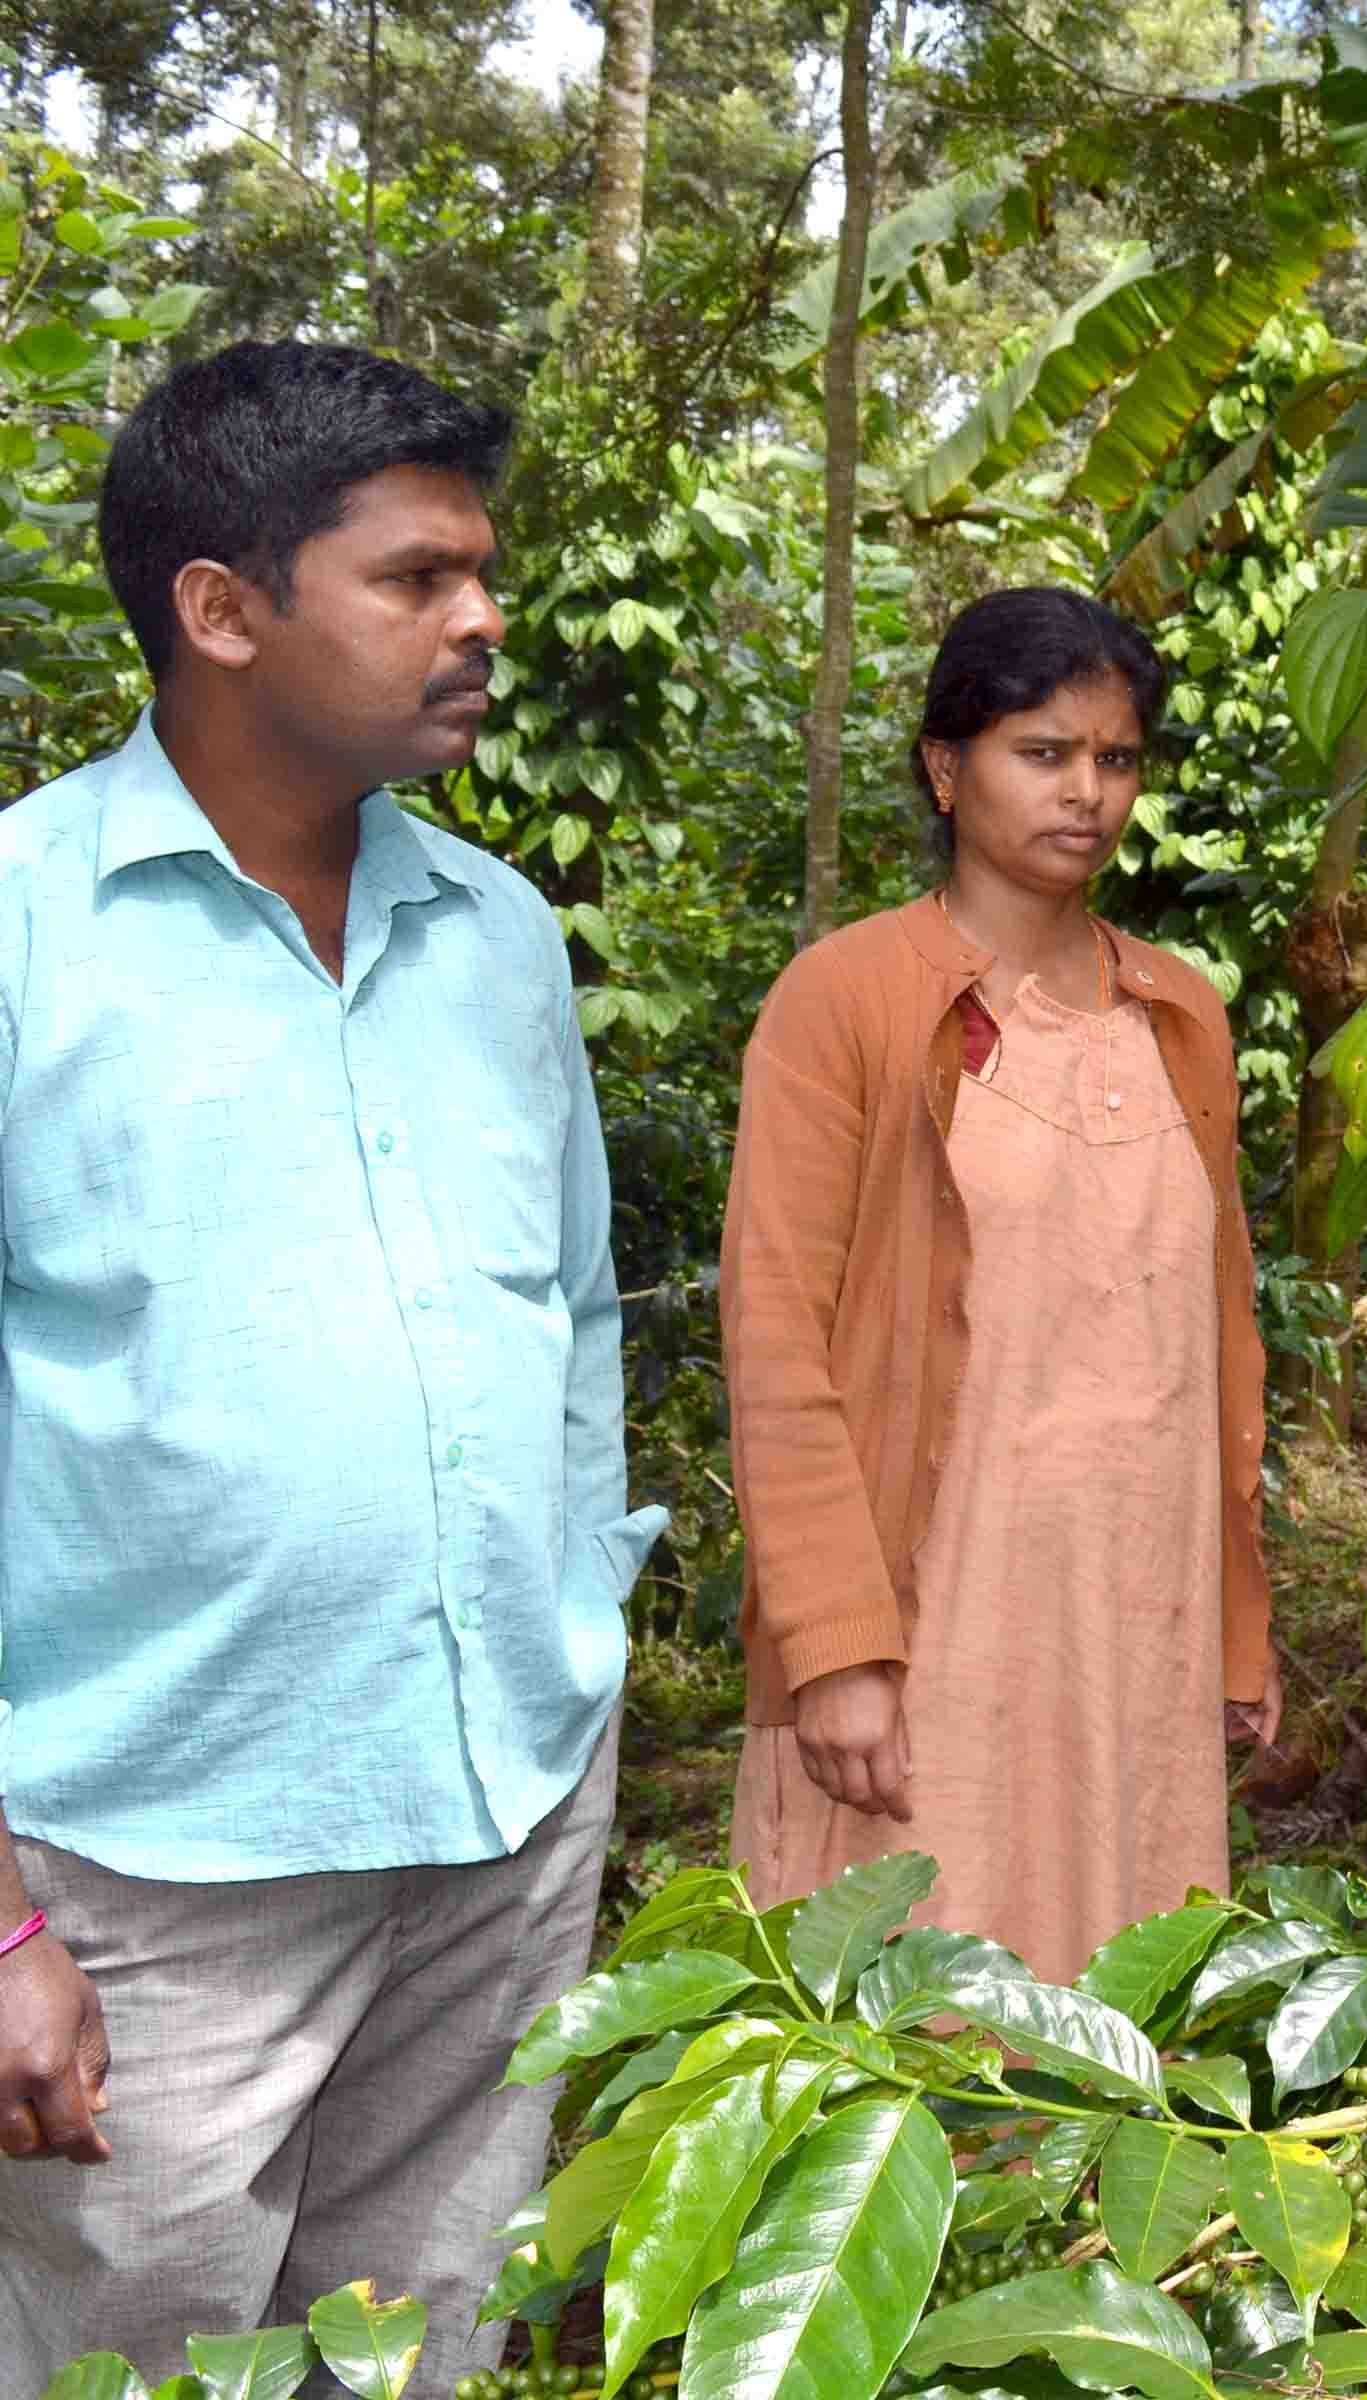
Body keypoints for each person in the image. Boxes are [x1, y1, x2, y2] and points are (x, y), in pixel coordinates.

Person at [0, 343, 656, 2377]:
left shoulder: (502, 941)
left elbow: (570, 1328)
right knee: (133, 2363)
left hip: (501, 1829)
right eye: (417, 578)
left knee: (419, 2348)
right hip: (144, 1877)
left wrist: (578, 1630)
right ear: (221, 608)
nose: (481, 621)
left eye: (485, 572)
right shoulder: (25, 933)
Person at [723, 587, 1276, 1982]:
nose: (1089, 793)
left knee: (1120, 1992)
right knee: (914, 2004)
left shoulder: (1180, 1013)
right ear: (942, 766)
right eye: (1044, 751)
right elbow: (777, 1340)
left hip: (1131, 1619)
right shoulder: (846, 1001)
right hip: (935, 1618)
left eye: (1119, 758)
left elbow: (1214, 1341)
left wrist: (1239, 1624)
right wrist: (835, 1647)